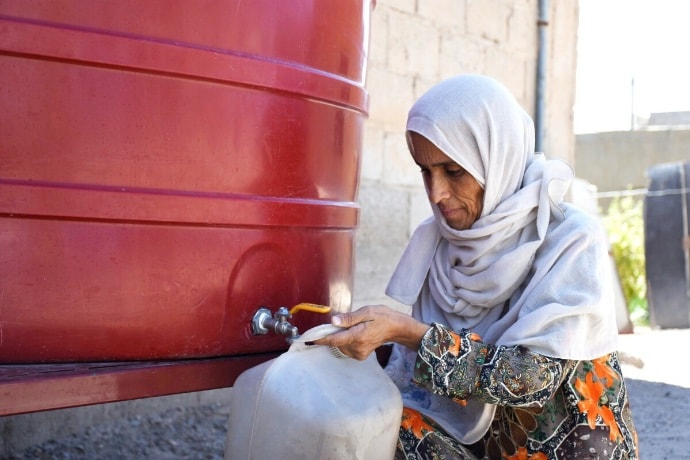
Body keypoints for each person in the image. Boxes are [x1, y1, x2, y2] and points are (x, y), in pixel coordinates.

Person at [314, 74, 639, 459]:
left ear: (495, 158)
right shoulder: (440, 242)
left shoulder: (570, 238)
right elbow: (411, 379)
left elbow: (530, 379)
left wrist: (409, 333)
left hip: (568, 450)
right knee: (373, 427)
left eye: (453, 171)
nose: (436, 194)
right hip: (481, 448)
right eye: (425, 171)